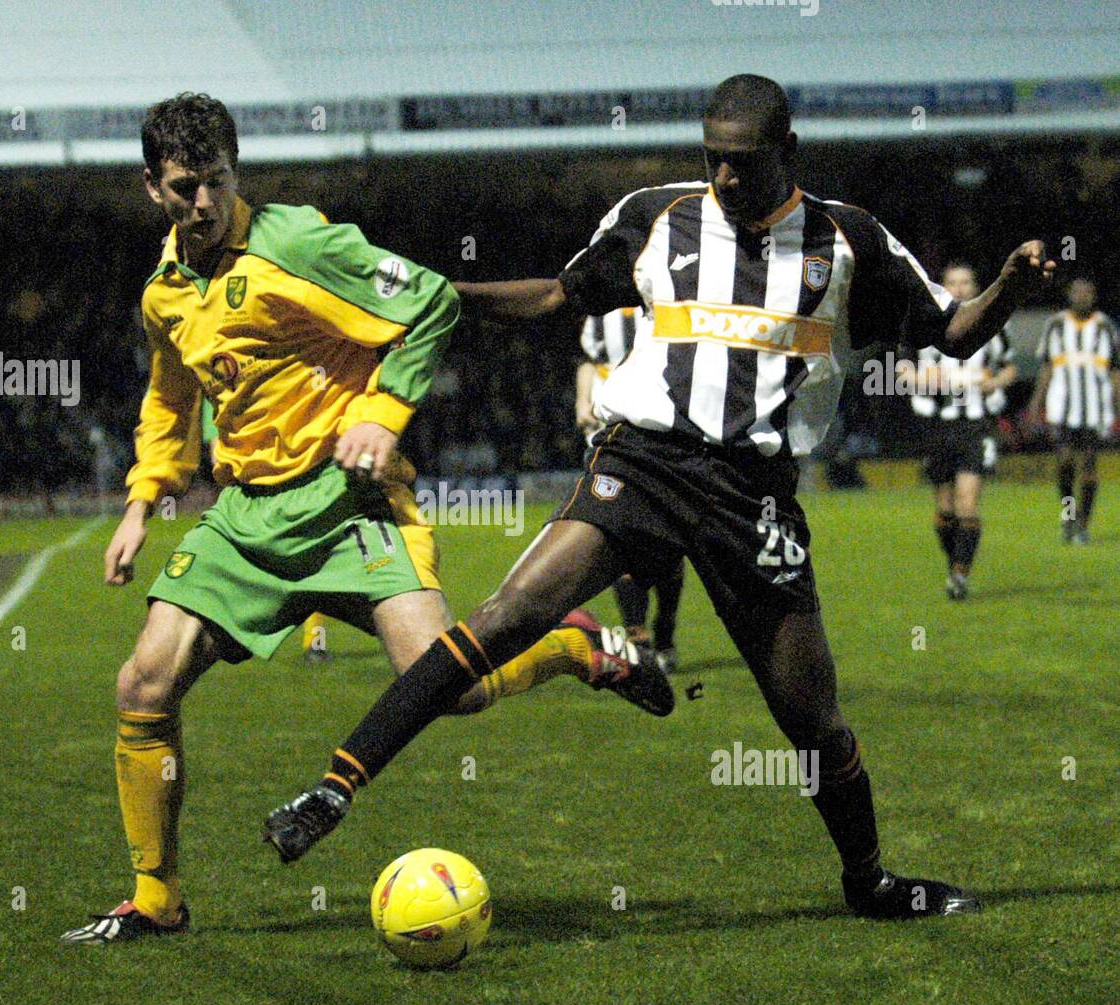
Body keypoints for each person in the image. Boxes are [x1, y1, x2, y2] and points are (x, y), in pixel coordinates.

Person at [265, 74, 1058, 920]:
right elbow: (557, 296)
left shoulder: (849, 241)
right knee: (504, 615)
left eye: (742, 162)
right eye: (711, 158)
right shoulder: (656, 216)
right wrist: (444, 294)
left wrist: (1010, 284)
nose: (722, 177)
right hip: (639, 464)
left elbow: (955, 331)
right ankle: (334, 788)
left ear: (788, 151)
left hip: (749, 494)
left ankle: (869, 881)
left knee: (809, 719)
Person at [59, 94, 672, 945]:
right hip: (244, 519)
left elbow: (428, 303)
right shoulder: (164, 292)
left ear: (239, 172)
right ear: (151, 186)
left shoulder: (300, 242)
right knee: (143, 683)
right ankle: (155, 898)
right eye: (185, 186)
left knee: (451, 690)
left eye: (218, 182)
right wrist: (142, 501)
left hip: (349, 509)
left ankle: (569, 645)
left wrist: (382, 413)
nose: (204, 203)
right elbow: (170, 402)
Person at [897, 263, 1017, 599]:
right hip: (936, 426)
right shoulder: (922, 326)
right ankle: (955, 563)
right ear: (942, 286)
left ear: (975, 286)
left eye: (966, 282)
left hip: (974, 425)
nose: (960, 288)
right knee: (945, 509)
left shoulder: (991, 326)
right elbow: (903, 374)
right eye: (953, 282)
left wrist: (994, 382)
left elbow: (1009, 368)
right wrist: (943, 380)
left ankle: (961, 576)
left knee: (967, 504)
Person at [577, 310, 687, 670]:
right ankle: (637, 637)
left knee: (669, 544)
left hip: (661, 432)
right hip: (609, 436)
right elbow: (590, 362)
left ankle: (665, 629)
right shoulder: (601, 314)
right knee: (621, 537)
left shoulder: (670, 296)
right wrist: (582, 403)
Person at [1029, 277, 1118, 544]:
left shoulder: (1105, 326)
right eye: (1077, 291)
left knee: (1090, 465)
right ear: (1069, 295)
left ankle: (1083, 524)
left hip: (1095, 408)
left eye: (1087, 291)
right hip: (1062, 407)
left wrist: (1116, 405)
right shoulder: (1055, 325)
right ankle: (1069, 516)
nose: (1082, 296)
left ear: (1094, 296)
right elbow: (1046, 367)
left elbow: (1115, 370)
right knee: (1065, 463)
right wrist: (1036, 403)